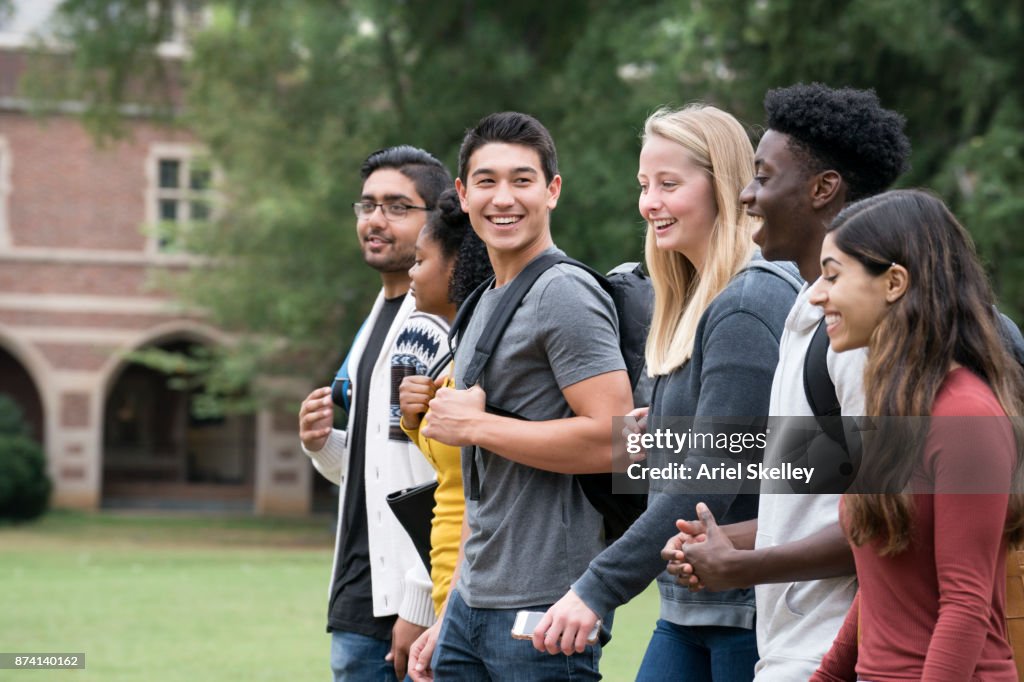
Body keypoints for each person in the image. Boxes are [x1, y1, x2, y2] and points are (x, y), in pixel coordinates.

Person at [533, 105, 798, 681]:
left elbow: (714, 475)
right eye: (644, 185)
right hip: (689, 607)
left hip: (749, 615)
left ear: (723, 187)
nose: (648, 202)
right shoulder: (691, 305)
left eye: (669, 184)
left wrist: (596, 587)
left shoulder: (750, 303)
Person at [659, 84, 912, 680]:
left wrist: (741, 567)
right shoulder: (807, 312)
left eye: (764, 177)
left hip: (835, 648)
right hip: (794, 644)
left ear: (823, 189)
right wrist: (728, 538)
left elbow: (889, 516)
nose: (746, 195)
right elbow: (819, 488)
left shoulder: (859, 332)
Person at [408, 111, 634, 681]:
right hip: (470, 602)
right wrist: (451, 608)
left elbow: (619, 441)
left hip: (544, 608)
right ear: (462, 194)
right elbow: (484, 485)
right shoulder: (484, 300)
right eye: (485, 181)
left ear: (552, 191)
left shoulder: (564, 294)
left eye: (522, 180)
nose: (502, 198)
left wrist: (479, 427)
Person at [807, 189, 1023, 681]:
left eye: (833, 275)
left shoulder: (965, 417)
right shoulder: (896, 409)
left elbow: (964, 607)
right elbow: (883, 589)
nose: (818, 293)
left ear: (894, 283)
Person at [297, 145, 451, 681]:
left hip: (407, 607)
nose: (375, 220)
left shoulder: (432, 322)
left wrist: (418, 598)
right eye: (366, 206)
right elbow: (377, 467)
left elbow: (444, 473)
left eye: (397, 206)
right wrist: (323, 445)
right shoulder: (375, 322)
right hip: (358, 595)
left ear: (437, 219)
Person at [398, 187, 493, 615]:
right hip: (447, 597)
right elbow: (455, 472)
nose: (411, 274)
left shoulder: (490, 354)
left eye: (420, 260)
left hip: (476, 596)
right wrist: (416, 419)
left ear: (456, 265)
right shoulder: (459, 353)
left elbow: (612, 442)